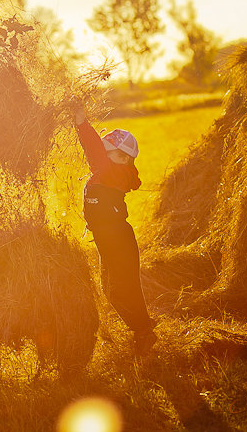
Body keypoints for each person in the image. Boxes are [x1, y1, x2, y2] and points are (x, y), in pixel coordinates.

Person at [74, 106, 157, 354]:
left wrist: (82, 124)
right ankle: (142, 326)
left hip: (118, 239)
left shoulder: (115, 173)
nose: (101, 157)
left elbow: (93, 150)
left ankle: (144, 332)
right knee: (112, 288)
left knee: (122, 287)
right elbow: (96, 155)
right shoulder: (106, 172)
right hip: (109, 239)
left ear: (122, 158)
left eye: (107, 153)